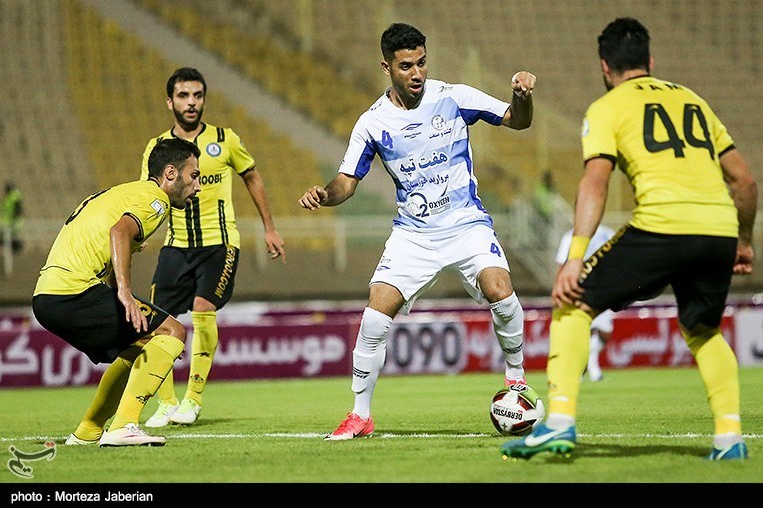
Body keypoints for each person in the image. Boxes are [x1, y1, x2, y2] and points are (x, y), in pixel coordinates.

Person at [501, 17, 757, 461]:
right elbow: (744, 181)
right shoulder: (694, 101)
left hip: (662, 225)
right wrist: (745, 240)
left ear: (605, 67)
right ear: (650, 61)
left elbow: (595, 182)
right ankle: (729, 438)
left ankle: (559, 422)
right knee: (703, 330)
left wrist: (575, 257)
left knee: (572, 302)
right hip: (718, 230)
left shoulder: (608, 107)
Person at [299, 22, 536, 440]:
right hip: (415, 234)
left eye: (422, 63)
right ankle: (360, 415)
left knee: (500, 288)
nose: (417, 73)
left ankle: (516, 382)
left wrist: (522, 95)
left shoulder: (453, 97)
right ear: (386, 67)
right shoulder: (373, 122)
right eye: (406, 66)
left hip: (465, 223)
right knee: (375, 315)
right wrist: (325, 194)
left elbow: (517, 120)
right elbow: (346, 183)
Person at [141, 67, 287, 428]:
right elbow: (146, 193)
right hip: (175, 246)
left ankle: (192, 399)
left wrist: (269, 228)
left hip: (219, 244)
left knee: (203, 308)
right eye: (183, 96)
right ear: (170, 102)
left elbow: (252, 176)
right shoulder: (157, 148)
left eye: (197, 95)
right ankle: (166, 402)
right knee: (156, 320)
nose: (191, 102)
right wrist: (139, 234)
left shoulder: (225, 139)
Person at [32, 138, 202, 446]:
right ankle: (124, 425)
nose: (198, 186)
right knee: (173, 331)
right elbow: (119, 232)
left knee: (141, 341)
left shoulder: (123, 193)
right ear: (170, 173)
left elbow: (111, 241)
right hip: (73, 291)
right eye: (194, 176)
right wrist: (124, 292)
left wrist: (118, 289)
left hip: (48, 295)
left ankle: (88, 431)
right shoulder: (156, 200)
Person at [554, 224, 616, 382]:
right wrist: (558, 288)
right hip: (579, 288)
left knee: (605, 331)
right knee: (582, 329)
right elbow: (561, 263)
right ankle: (586, 368)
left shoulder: (607, 234)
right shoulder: (570, 237)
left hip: (605, 288)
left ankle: (586, 363)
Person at [2, 181, 23, 253]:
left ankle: (17, 248)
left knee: (9, 237)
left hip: (13, 221)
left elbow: (18, 209)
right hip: (8, 221)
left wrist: (14, 219)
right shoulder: (10, 197)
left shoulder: (15, 197)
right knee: (6, 237)